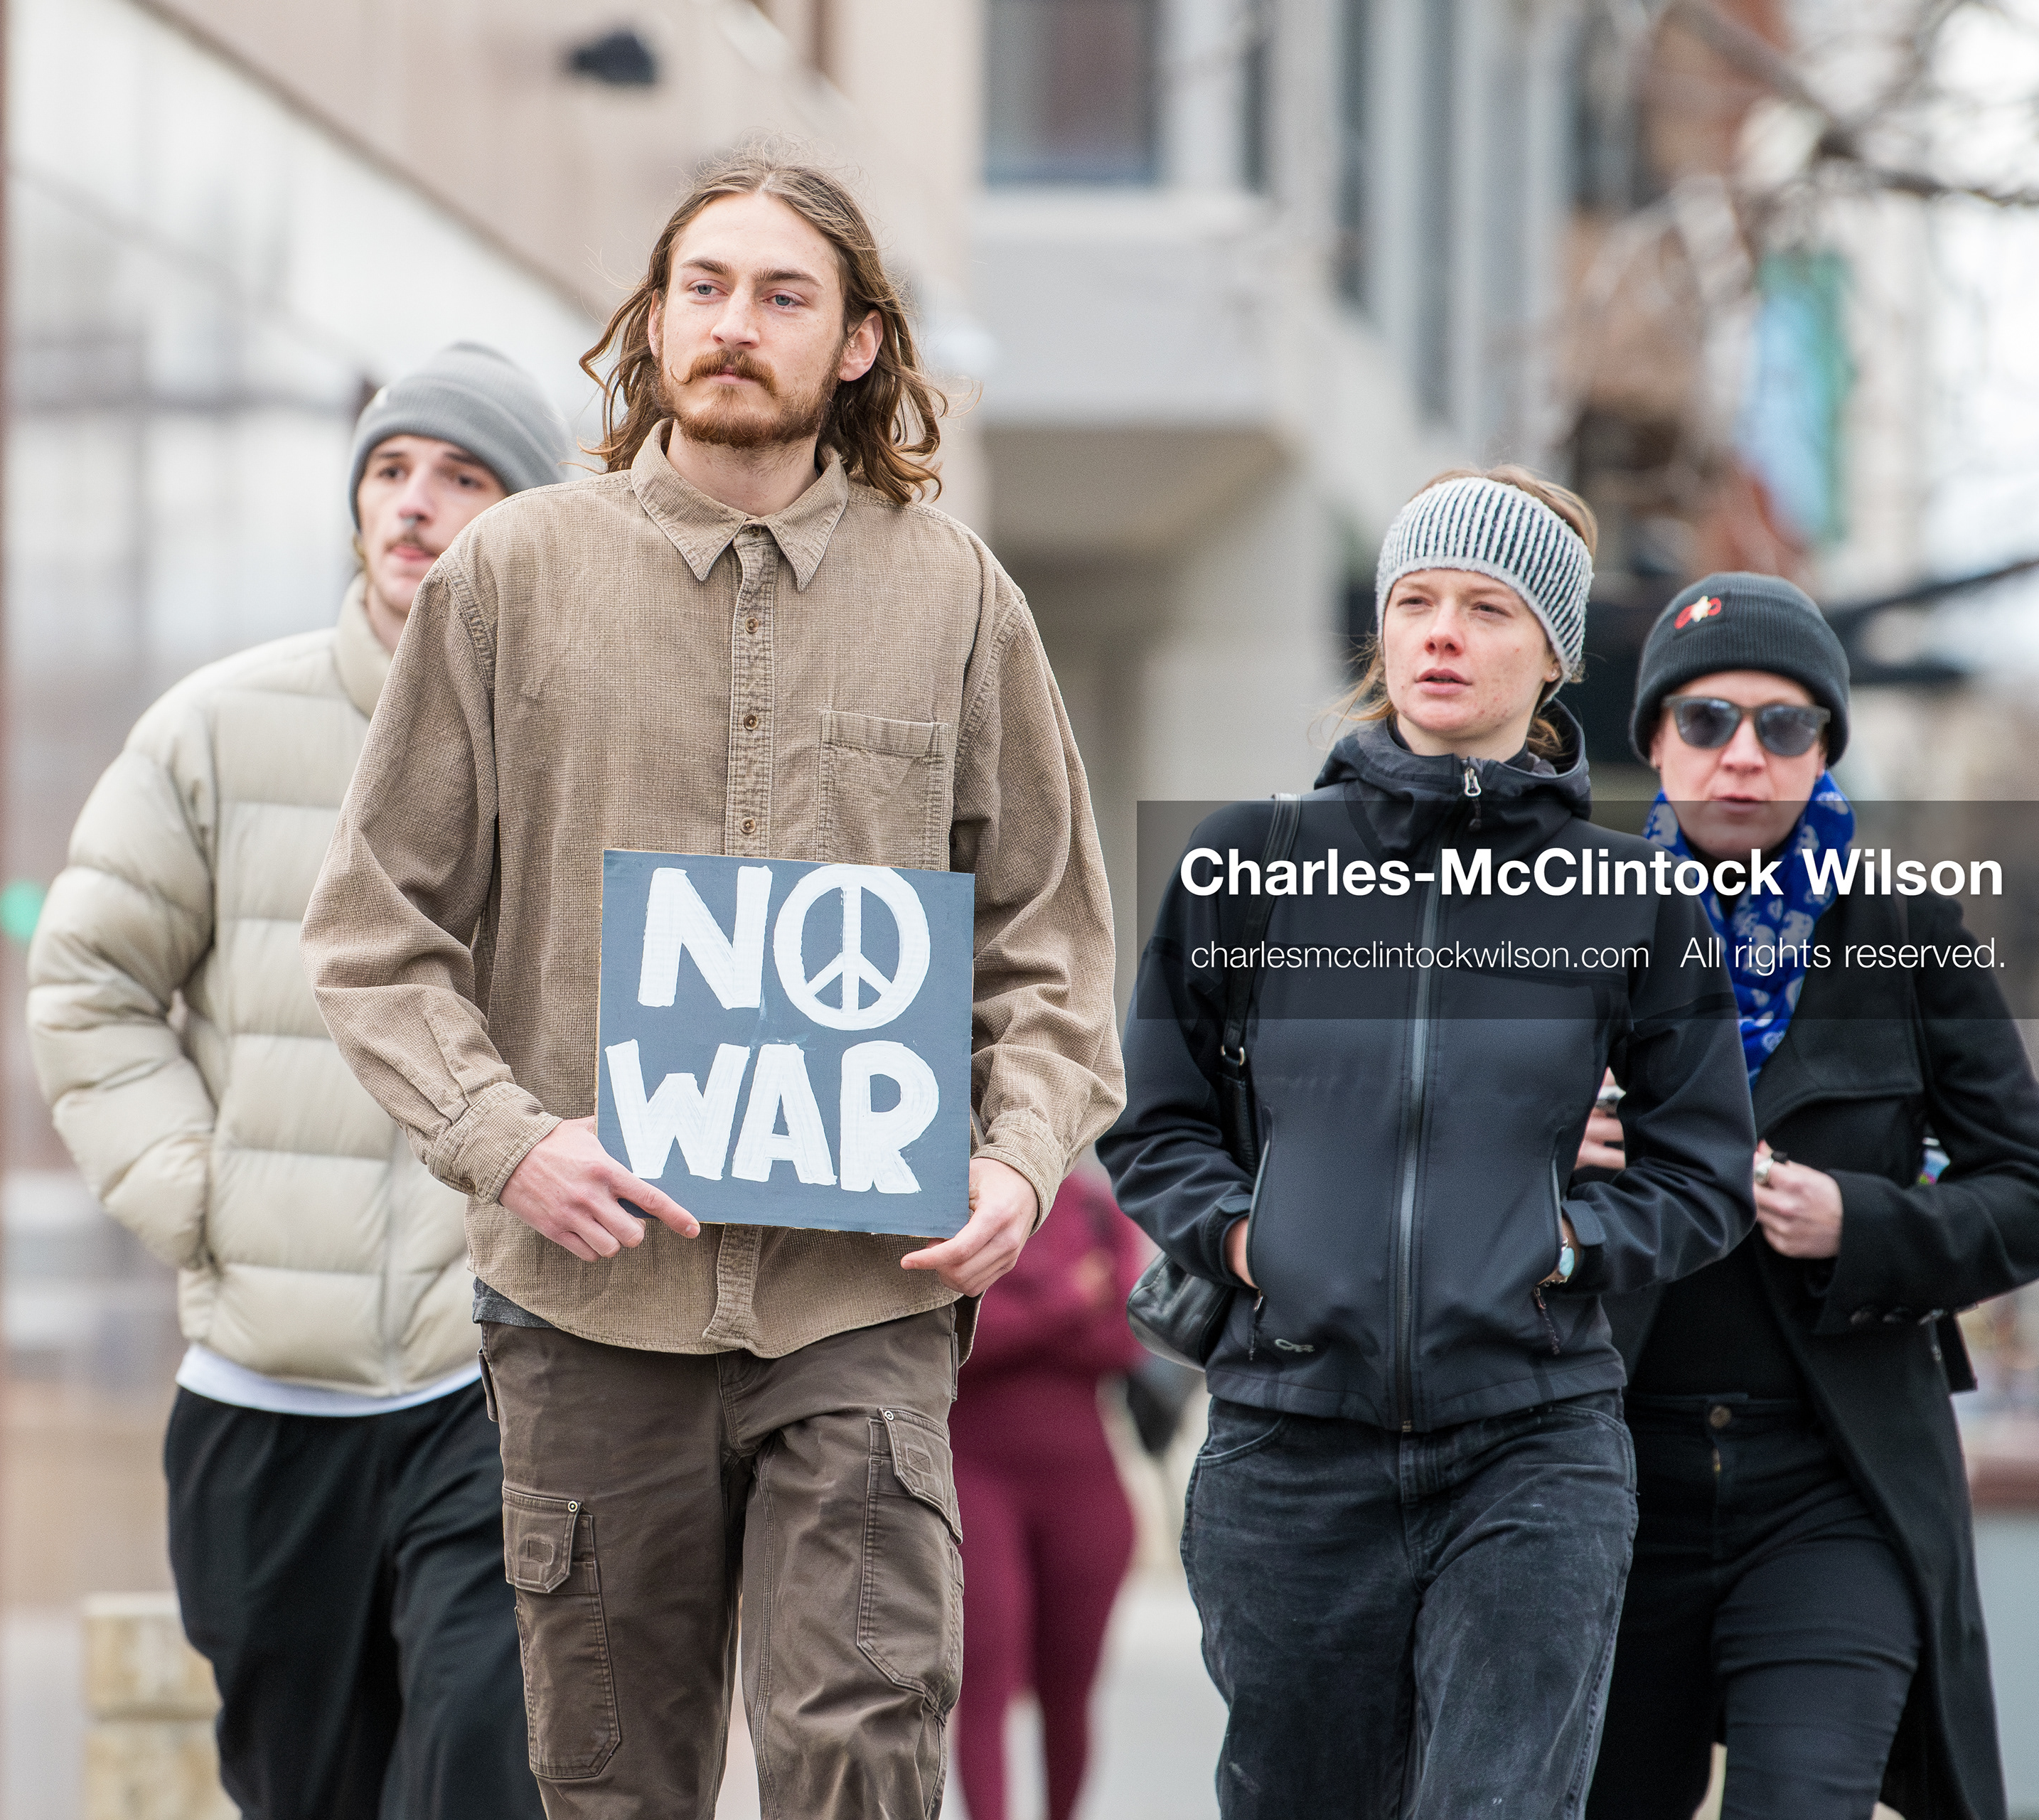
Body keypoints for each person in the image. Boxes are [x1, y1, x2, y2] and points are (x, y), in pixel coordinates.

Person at [301, 152, 1125, 1818]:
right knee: (611, 1778)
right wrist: (503, 1133)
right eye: (701, 287)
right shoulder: (509, 578)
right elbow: (371, 928)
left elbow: (1046, 942)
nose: (730, 326)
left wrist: (1016, 1152)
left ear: (858, 346)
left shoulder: (957, 597)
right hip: (588, 1304)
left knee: (861, 1756)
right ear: (650, 319)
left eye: (779, 295)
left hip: (862, 1298)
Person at [1102, 469, 1758, 1818]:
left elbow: (1703, 1172)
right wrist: (1246, 1238)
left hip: (1533, 1444)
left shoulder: (1629, 901)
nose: (1442, 633)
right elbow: (1154, 1124)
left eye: (1488, 607)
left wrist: (1565, 1245)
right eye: (1415, 602)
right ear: (1384, 637)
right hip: (1289, 1444)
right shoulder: (1252, 864)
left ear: (1557, 655)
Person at [26, 343, 570, 1820]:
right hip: (268, 1392)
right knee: (303, 1790)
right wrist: (200, 1200)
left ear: (529, 522)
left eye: (464, 477)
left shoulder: (589, 758)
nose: (416, 505)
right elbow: (89, 984)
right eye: (393, 471)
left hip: (499, 1377)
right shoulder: (215, 729)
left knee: (483, 1770)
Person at [1584, 573, 2039, 1820]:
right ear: (1658, 743)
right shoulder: (1577, 929)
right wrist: (1549, 1141)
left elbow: (2028, 1184)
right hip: (1609, 1479)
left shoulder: (1907, 929)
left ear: (1827, 743)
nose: (1745, 756)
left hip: (1836, 1482)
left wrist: (1868, 1225)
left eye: (1785, 726)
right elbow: (1445, 1156)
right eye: (1707, 722)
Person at [949, 1167, 1143, 1820]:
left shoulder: (1094, 1208)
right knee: (983, 1685)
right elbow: (960, 1347)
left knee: (1071, 1692)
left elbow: (1123, 1341)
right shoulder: (952, 1204)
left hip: (1087, 1489)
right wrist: (1067, 1302)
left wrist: (1021, 1313)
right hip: (974, 1481)